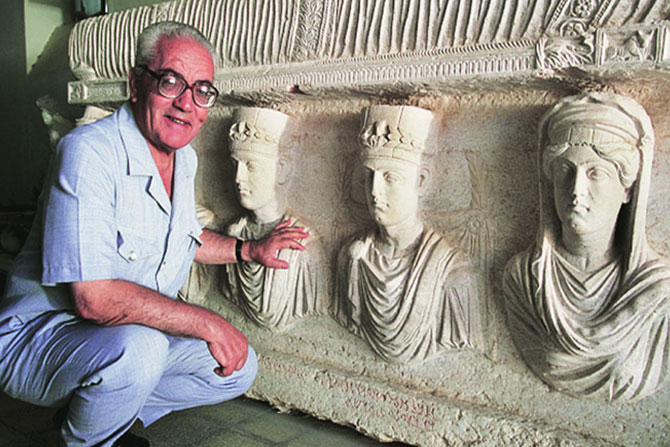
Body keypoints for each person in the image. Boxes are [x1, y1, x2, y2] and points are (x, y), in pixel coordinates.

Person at [0, 21, 308, 447]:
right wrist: (207, 322)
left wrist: (250, 249)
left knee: (237, 368)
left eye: (201, 90)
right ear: (135, 84)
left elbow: (182, 236)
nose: (186, 103)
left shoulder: (183, 159)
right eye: (170, 82)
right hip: (39, 339)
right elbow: (94, 299)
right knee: (142, 349)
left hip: (117, 339)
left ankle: (105, 416)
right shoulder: (88, 152)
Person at [503, 92, 670, 401]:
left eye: (596, 173)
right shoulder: (523, 280)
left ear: (627, 189)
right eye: (565, 171)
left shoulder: (657, 294)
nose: (576, 190)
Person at [333, 105, 483, 364]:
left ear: (421, 181)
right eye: (369, 176)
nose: (375, 191)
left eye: (390, 177)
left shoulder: (452, 273)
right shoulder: (351, 257)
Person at [221, 107, 328, 331]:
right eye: (234, 165)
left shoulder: (304, 246)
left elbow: (317, 306)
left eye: (251, 166)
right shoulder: (233, 234)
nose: (238, 178)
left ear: (282, 170)